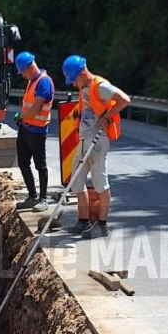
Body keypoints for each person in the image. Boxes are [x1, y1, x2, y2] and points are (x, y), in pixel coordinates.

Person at [62, 55, 131, 239]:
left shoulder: (99, 86)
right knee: (76, 180)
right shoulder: (84, 87)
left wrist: (107, 117)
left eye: (74, 80)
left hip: (98, 140)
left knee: (100, 183)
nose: (74, 84)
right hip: (84, 140)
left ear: (83, 73)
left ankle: (102, 225)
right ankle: (83, 221)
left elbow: (124, 99)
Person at [13, 51, 54, 212]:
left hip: (37, 131)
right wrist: (22, 118)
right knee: (23, 163)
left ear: (30, 67)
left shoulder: (44, 82)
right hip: (25, 128)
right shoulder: (32, 81)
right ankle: (32, 196)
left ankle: (43, 199)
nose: (22, 75)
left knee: (40, 165)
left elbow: (36, 109)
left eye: (23, 71)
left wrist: (21, 115)